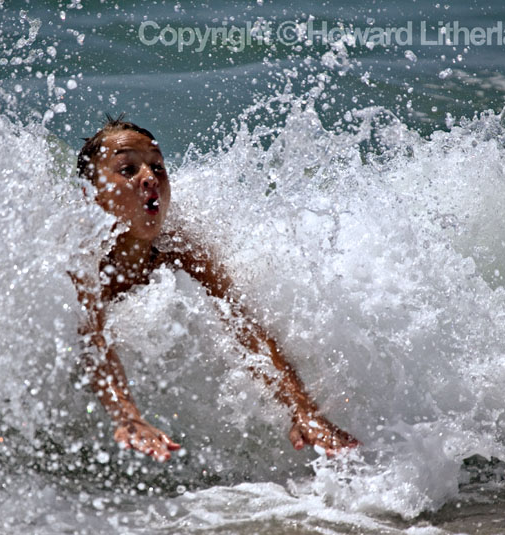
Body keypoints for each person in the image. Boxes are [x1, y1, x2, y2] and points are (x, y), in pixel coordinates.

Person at [71, 115, 358, 462]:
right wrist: (128, 417)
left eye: (158, 168)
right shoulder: (83, 255)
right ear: (93, 193)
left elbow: (243, 324)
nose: (150, 179)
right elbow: (92, 343)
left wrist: (301, 409)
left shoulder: (178, 243)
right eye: (129, 170)